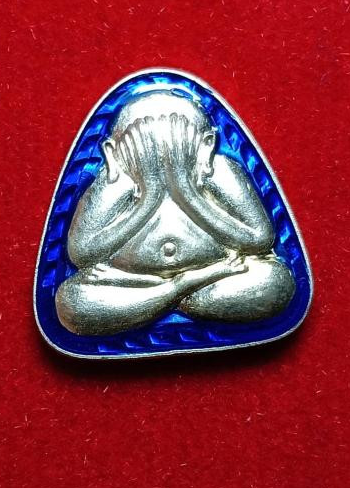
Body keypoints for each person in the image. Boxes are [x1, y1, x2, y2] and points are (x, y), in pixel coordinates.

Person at [56, 91, 295, 335]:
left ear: (206, 146)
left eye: (178, 143)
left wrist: (186, 192)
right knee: (71, 302)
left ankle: (158, 303)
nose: (162, 156)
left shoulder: (221, 170)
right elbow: (81, 254)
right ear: (112, 153)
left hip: (209, 282)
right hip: (136, 281)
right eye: (142, 145)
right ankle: (178, 290)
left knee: (274, 281)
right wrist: (148, 199)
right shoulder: (115, 183)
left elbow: (259, 240)